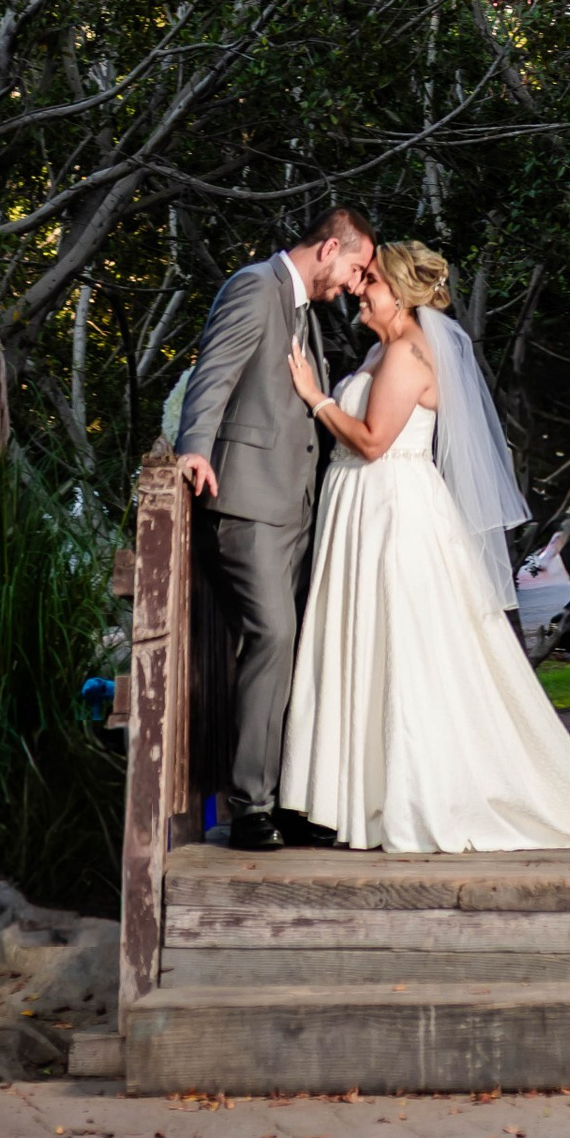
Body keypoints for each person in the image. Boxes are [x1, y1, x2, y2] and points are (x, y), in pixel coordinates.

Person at [278, 241, 570, 854]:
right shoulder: (382, 350)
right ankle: (358, 796)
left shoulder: (409, 352)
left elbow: (374, 439)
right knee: (369, 642)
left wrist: (315, 397)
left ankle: (412, 792)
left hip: (393, 513)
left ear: (403, 294)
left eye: (373, 282)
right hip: (364, 510)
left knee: (403, 647)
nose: (361, 289)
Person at [174, 203, 377, 851]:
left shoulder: (303, 313)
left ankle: (288, 799)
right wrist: (193, 446)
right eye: (354, 267)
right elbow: (215, 372)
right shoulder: (255, 287)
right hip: (247, 504)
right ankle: (251, 807)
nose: (353, 283)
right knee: (273, 636)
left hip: (292, 508)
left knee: (294, 646)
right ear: (328, 249)